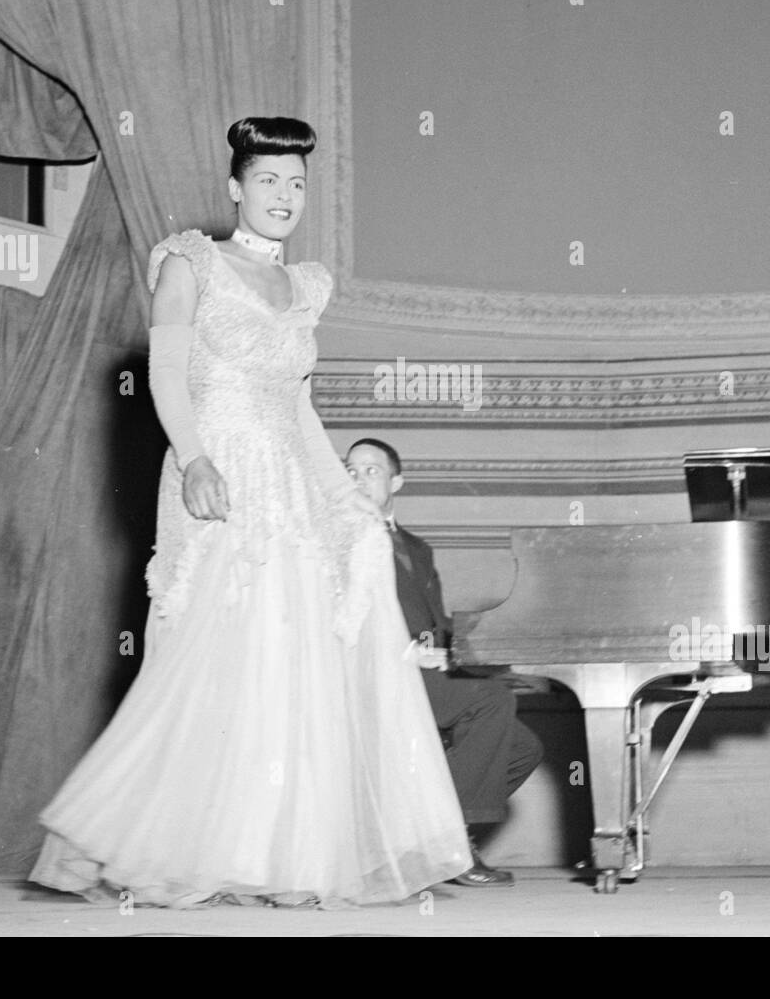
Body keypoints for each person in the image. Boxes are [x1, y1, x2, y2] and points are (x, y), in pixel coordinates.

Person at [29, 117, 470, 908]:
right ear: (236, 188)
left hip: (289, 489)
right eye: (268, 180)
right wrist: (196, 459)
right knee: (206, 660)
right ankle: (142, 847)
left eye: (297, 184)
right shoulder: (190, 264)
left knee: (285, 670)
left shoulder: (306, 287)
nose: (284, 197)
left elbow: (298, 409)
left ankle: (269, 857)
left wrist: (342, 498)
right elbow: (166, 379)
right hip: (218, 476)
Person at [345, 438, 544, 886]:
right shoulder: (341, 541)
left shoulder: (417, 548)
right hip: (378, 673)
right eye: (350, 470)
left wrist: (487, 656)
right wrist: (404, 651)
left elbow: (436, 624)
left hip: (425, 676)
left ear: (398, 481)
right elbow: (336, 615)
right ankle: (447, 846)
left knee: (523, 747)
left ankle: (433, 836)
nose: (358, 479)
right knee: (490, 702)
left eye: (371, 470)